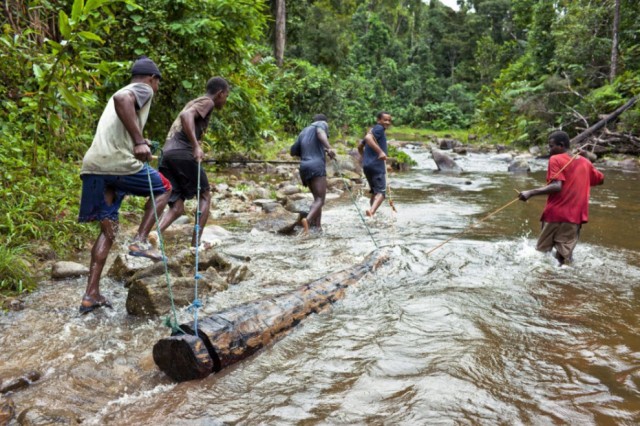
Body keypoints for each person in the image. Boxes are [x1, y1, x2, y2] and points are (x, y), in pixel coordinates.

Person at [78, 56, 171, 314]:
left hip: (94, 166)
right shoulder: (140, 89)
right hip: (116, 164)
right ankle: (140, 241)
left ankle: (91, 294)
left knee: (109, 229)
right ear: (152, 78)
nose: (156, 88)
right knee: (165, 189)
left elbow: (119, 120)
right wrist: (139, 140)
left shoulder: (120, 92)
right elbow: (124, 102)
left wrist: (139, 141)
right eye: (158, 83)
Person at [131, 77, 230, 248]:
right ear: (220, 93)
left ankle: (155, 234)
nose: (225, 100)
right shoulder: (208, 102)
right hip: (182, 152)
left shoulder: (195, 101)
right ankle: (195, 244)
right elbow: (186, 116)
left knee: (177, 207)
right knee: (205, 195)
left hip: (168, 154)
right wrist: (195, 146)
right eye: (226, 96)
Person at [518, 130, 604, 265]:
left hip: (554, 214)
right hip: (574, 218)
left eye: (551, 146)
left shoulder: (555, 159)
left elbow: (557, 186)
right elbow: (600, 180)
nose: (549, 149)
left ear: (562, 145)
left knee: (541, 254)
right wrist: (587, 158)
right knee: (565, 260)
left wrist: (531, 192)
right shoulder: (585, 162)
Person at [290, 114, 336, 233]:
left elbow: (293, 151)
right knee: (321, 199)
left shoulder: (303, 131)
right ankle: (308, 220)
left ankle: (318, 227)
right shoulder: (321, 124)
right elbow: (320, 133)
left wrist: (312, 151)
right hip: (316, 166)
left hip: (304, 167)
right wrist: (329, 147)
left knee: (317, 199)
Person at [358, 111, 392, 217]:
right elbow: (368, 139)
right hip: (377, 166)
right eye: (385, 120)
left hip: (367, 166)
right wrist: (380, 152)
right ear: (378, 120)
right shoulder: (379, 128)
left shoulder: (372, 130)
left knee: (375, 192)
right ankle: (372, 212)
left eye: (389, 120)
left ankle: (372, 212)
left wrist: (365, 159)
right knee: (381, 193)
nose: (387, 122)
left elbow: (360, 146)